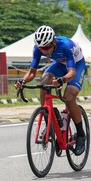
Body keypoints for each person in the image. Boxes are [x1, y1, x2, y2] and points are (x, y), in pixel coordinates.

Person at [14, 25, 86, 156]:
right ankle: (48, 118)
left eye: (47, 47)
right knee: (44, 79)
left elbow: (72, 72)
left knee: (68, 98)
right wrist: (23, 81)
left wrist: (62, 80)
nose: (44, 51)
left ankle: (81, 135)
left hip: (76, 65)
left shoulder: (65, 46)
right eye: (42, 48)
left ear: (53, 42)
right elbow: (31, 73)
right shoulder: (38, 48)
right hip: (60, 64)